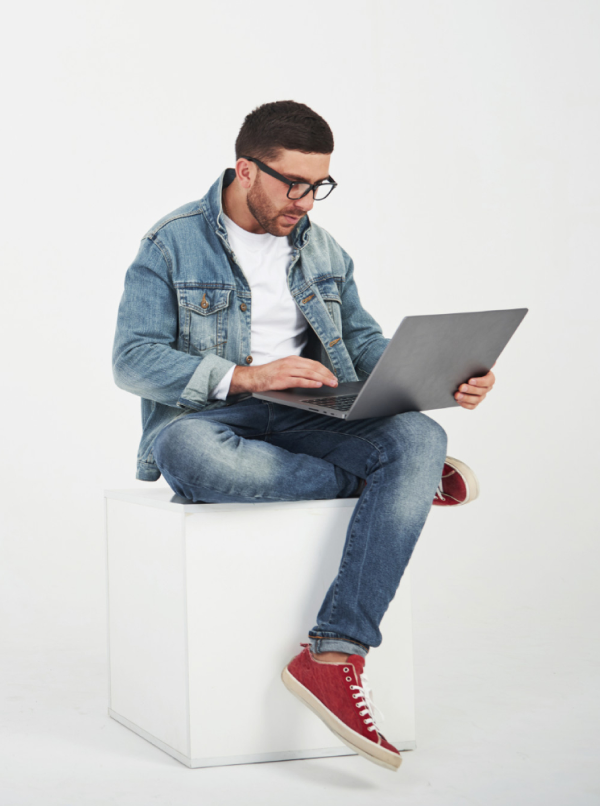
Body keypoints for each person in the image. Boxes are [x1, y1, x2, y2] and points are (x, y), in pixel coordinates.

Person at [112, 100, 495, 772]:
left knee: (420, 435)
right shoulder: (170, 242)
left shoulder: (320, 245)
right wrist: (249, 377)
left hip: (310, 413)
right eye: (293, 183)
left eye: (319, 185)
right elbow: (132, 359)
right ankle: (391, 484)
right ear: (245, 169)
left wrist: (438, 374)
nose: (306, 200)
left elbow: (362, 337)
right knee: (191, 460)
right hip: (208, 415)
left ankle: (334, 653)